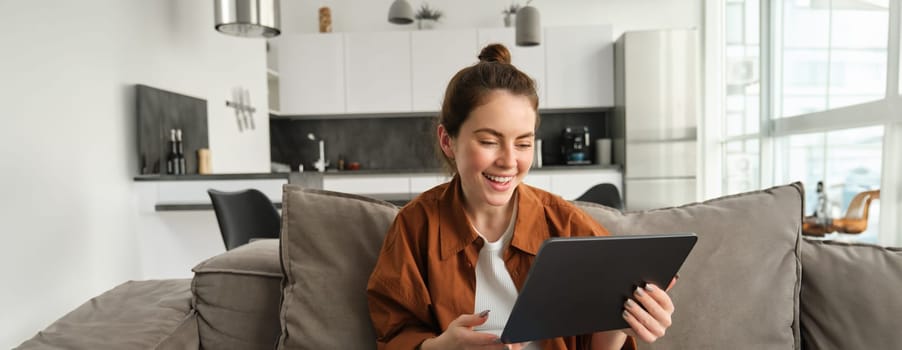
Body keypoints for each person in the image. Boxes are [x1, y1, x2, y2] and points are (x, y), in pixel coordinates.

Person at [367, 43, 676, 350]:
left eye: (523, 144)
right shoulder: (415, 226)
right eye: (489, 141)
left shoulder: (569, 226)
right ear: (448, 141)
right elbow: (393, 335)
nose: (509, 161)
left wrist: (620, 323)